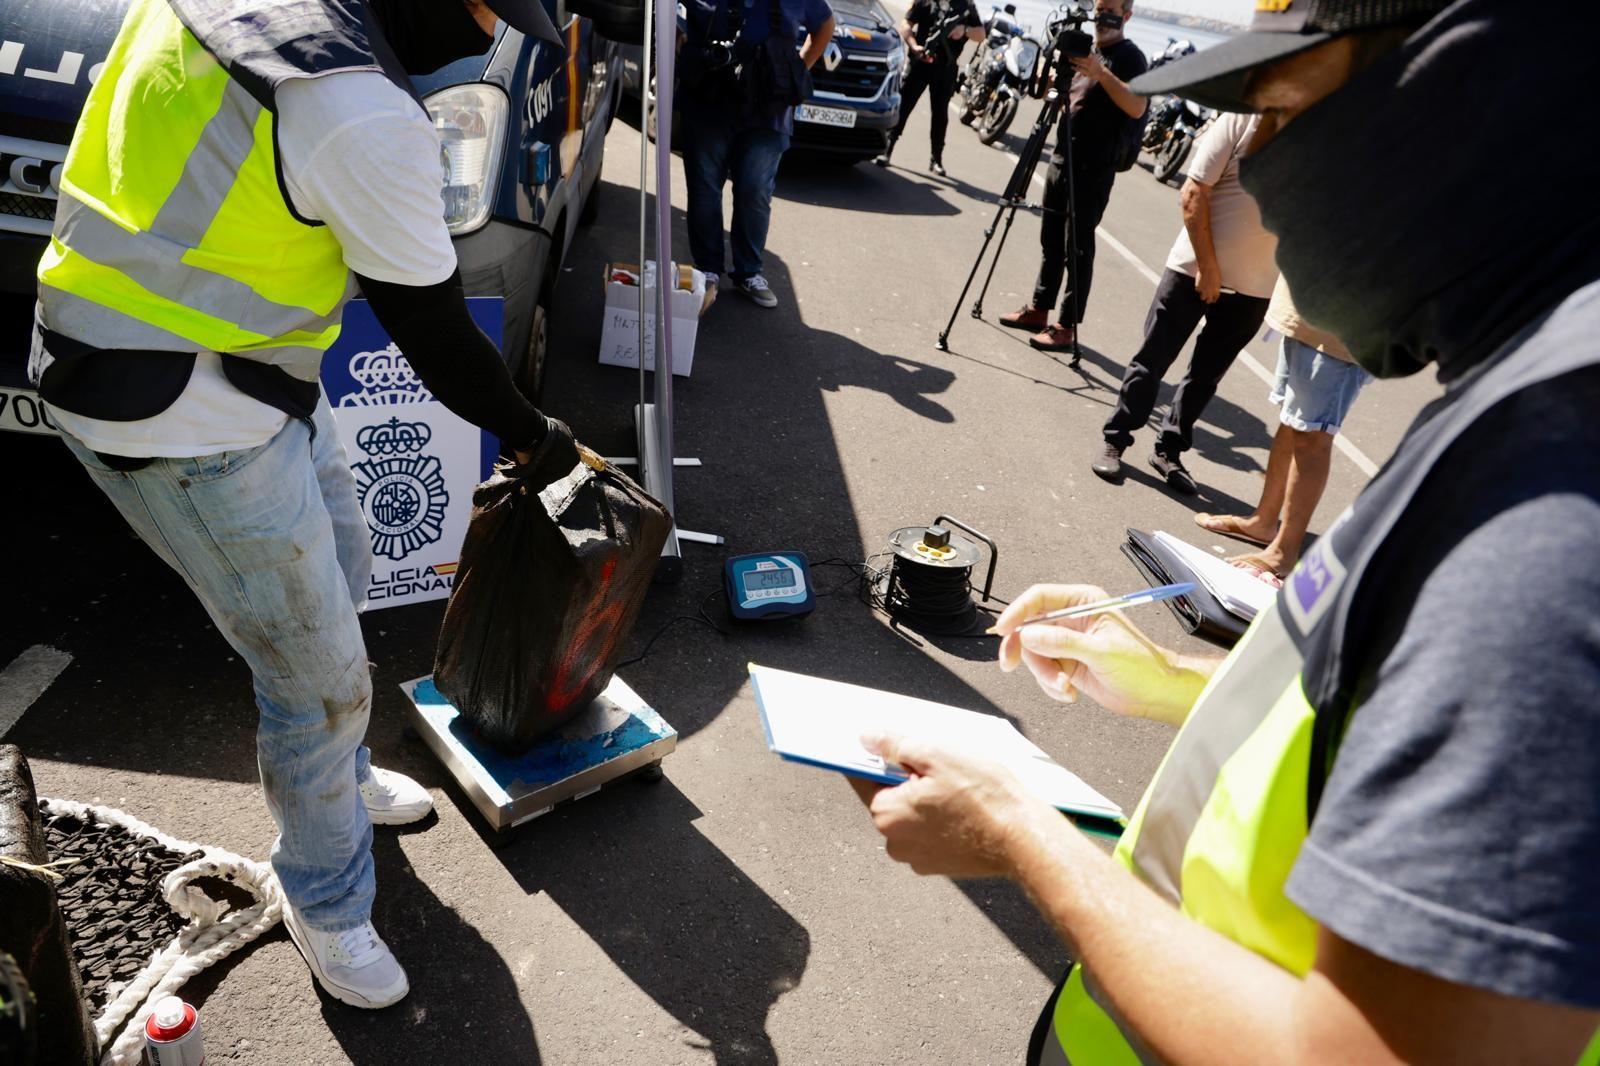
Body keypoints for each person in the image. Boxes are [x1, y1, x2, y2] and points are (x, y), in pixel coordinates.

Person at [851, 1, 1600, 1062]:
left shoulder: (1553, 493)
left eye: (1287, 114)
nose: (1266, 180)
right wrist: (1167, 680)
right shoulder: (1522, 402)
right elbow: (1386, 719)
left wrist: (1024, 833)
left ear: (1472, 85)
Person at [30, 0, 578, 1010]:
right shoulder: (358, 111)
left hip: (240, 365)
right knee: (313, 672)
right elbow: (433, 327)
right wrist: (536, 433)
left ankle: (340, 773)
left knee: (350, 555)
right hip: (178, 414)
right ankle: (322, 898)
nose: (481, 36)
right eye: (480, 10)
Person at [1091, 111, 1277, 495]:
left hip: (1255, 289)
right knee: (1152, 360)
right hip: (1193, 268)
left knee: (1205, 378)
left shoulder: (1322, 141)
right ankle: (1117, 437)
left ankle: (1168, 450)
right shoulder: (1243, 118)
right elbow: (1194, 193)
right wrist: (1209, 268)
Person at [1194, 276, 1372, 576]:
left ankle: (1284, 552)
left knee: (1312, 435)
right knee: (1293, 424)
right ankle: (1263, 522)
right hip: (1307, 311)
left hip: (1343, 323)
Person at [997, 0, 1146, 353]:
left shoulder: (1130, 58)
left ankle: (1066, 326)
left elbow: (1138, 107)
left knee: (1078, 247)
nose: (1103, 15)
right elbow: (1068, 99)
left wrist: (1100, 72)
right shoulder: (1084, 49)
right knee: (1050, 238)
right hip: (1062, 155)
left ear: (1127, 15)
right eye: (1100, 6)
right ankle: (1038, 309)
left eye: (1112, 8)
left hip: (1095, 166)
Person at [679, 0, 836, 308]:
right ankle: (707, 269)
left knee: (755, 190)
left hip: (769, 109)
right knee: (704, 188)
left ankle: (748, 272)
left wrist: (795, 69)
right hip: (709, 102)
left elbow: (825, 24)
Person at [871, 0, 983, 175]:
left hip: (946, 68)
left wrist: (964, 30)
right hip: (920, 62)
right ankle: (888, 147)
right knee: (904, 105)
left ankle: (936, 158)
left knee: (940, 114)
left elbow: (981, 34)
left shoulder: (966, 5)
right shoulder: (926, 1)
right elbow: (906, 23)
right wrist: (914, 46)